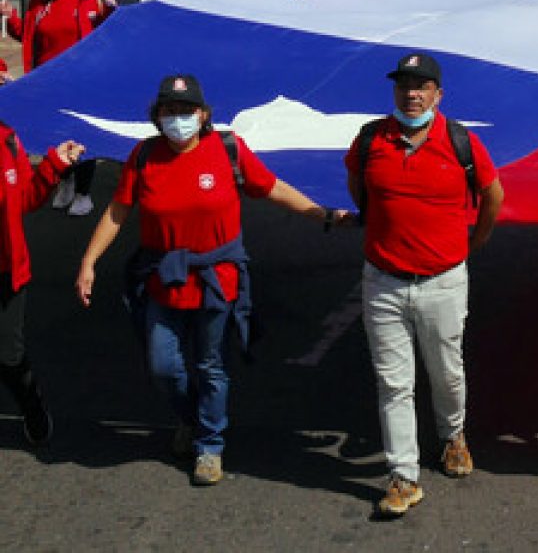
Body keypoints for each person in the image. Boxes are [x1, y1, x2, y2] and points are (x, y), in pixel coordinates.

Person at [75, 74, 345, 485]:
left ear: (203, 115)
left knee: (210, 364)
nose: (178, 119)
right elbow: (117, 212)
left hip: (217, 280)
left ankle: (209, 445)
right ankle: (191, 418)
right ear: (157, 116)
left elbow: (273, 187)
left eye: (186, 111)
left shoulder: (229, 150)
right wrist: (88, 262)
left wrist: (321, 214)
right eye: (169, 111)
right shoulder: (144, 156)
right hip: (163, 280)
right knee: (163, 365)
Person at [345, 53, 503, 517]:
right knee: (393, 382)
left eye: (421, 86)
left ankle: (452, 435)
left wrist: (474, 243)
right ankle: (402, 475)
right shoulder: (373, 137)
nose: (411, 94)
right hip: (384, 281)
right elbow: (358, 185)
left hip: (443, 281)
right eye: (404, 86)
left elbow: (493, 196)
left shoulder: (461, 142)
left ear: (438, 94)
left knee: (445, 373)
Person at [1, 0, 113, 217]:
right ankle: (65, 180)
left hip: (82, 81)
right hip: (48, 81)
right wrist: (12, 15)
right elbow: (27, 35)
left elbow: (108, 34)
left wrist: (110, 12)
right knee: (55, 133)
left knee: (80, 134)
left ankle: (84, 192)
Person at [0, 126, 84, 445]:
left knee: (8, 356)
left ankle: (31, 405)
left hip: (7, 271)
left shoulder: (8, 138)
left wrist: (53, 166)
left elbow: (26, 198)